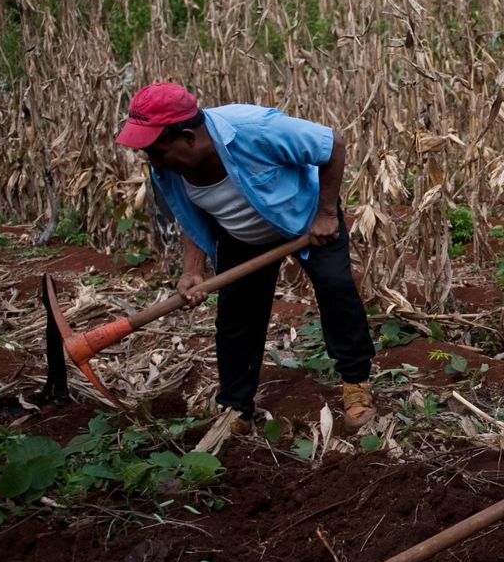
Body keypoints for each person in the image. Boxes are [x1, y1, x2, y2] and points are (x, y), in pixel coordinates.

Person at [115, 83, 376, 433]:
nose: (155, 162)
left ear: (189, 137)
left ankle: (356, 386)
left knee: (336, 290)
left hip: (305, 219)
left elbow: (333, 145)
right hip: (240, 234)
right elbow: (191, 214)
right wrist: (192, 270)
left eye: (158, 152)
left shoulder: (255, 131)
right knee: (237, 315)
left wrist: (327, 213)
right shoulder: (167, 166)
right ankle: (236, 407)